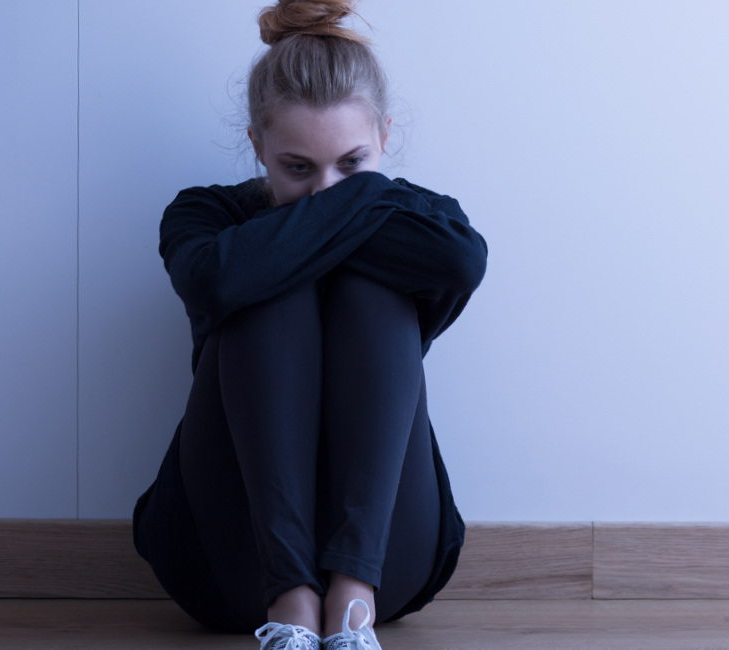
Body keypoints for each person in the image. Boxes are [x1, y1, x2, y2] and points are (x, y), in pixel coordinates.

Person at [130, 1, 487, 648]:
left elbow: (462, 261)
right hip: (225, 566)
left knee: (362, 288)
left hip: (389, 565)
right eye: (298, 168)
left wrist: (324, 216)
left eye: (352, 165)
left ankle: (351, 595)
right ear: (257, 146)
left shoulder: (425, 224)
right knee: (263, 283)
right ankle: (289, 597)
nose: (328, 190)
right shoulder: (204, 215)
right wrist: (363, 200)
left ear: (384, 135)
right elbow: (216, 279)